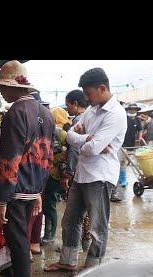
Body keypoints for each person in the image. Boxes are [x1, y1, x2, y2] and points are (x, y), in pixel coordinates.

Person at [46, 68, 126, 274]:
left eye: (88, 93)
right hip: (82, 174)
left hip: (100, 176)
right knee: (70, 220)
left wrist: (85, 140)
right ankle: (68, 261)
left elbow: (92, 149)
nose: (86, 98)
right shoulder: (91, 110)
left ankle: (93, 269)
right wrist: (87, 138)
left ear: (102, 88)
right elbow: (70, 135)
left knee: (97, 227)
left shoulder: (116, 114)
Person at [0, 60, 55, 277]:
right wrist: (39, 190)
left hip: (16, 189)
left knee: (17, 241)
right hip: (34, 186)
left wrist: (2, 200)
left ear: (14, 87)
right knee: (21, 239)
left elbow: (10, 159)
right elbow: (48, 157)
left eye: (3, 88)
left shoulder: (15, 113)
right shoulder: (46, 113)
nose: (2, 92)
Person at [56, 89, 93, 251]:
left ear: (76, 104)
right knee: (87, 211)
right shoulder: (90, 118)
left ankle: (75, 245)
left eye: (68, 105)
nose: (67, 109)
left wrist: (68, 173)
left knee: (75, 214)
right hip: (89, 171)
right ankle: (85, 243)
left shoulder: (78, 122)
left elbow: (73, 150)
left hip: (78, 172)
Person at [41, 107, 70, 245]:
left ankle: (50, 235)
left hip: (54, 174)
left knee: (50, 205)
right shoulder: (64, 133)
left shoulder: (59, 133)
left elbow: (70, 153)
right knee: (49, 204)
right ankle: (49, 234)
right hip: (54, 173)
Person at [111, 102, 142, 202]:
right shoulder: (124, 118)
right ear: (128, 110)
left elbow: (140, 129)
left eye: (134, 109)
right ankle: (121, 180)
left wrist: (140, 137)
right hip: (122, 144)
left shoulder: (137, 119)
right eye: (131, 109)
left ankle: (123, 179)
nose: (132, 111)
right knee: (121, 162)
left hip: (131, 144)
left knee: (130, 163)